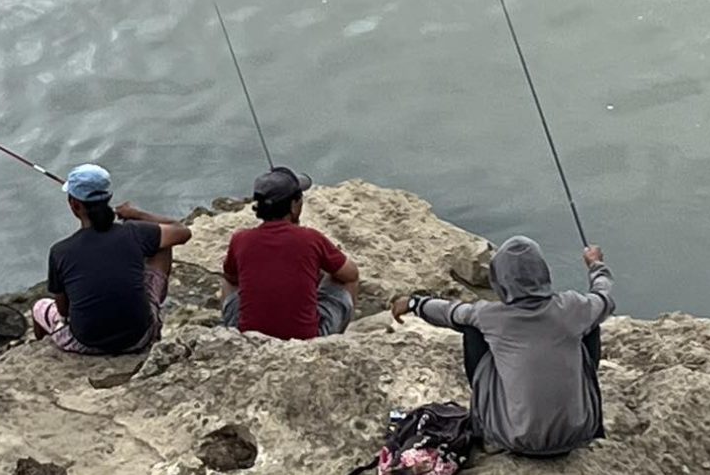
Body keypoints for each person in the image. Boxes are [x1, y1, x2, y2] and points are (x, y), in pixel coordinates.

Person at [391, 236, 615, 457]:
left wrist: (414, 303)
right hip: (577, 434)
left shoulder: (490, 316)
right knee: (590, 322)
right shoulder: (573, 307)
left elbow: (449, 311)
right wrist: (595, 264)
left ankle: (485, 429)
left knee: (471, 329)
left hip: (512, 437)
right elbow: (602, 295)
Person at [31, 164, 192, 354]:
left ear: (74, 205)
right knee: (161, 243)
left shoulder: (60, 252)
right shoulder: (134, 232)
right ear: (108, 198)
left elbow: (64, 311)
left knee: (39, 307)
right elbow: (181, 231)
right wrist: (137, 215)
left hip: (87, 344)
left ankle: (38, 348)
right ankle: (153, 306)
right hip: (140, 336)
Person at [220, 167, 361, 340]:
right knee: (342, 277)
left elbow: (232, 279)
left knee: (227, 278)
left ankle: (232, 332)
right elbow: (351, 273)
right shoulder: (310, 238)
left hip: (250, 335)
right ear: (294, 205)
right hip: (307, 337)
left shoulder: (240, 239)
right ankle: (335, 339)